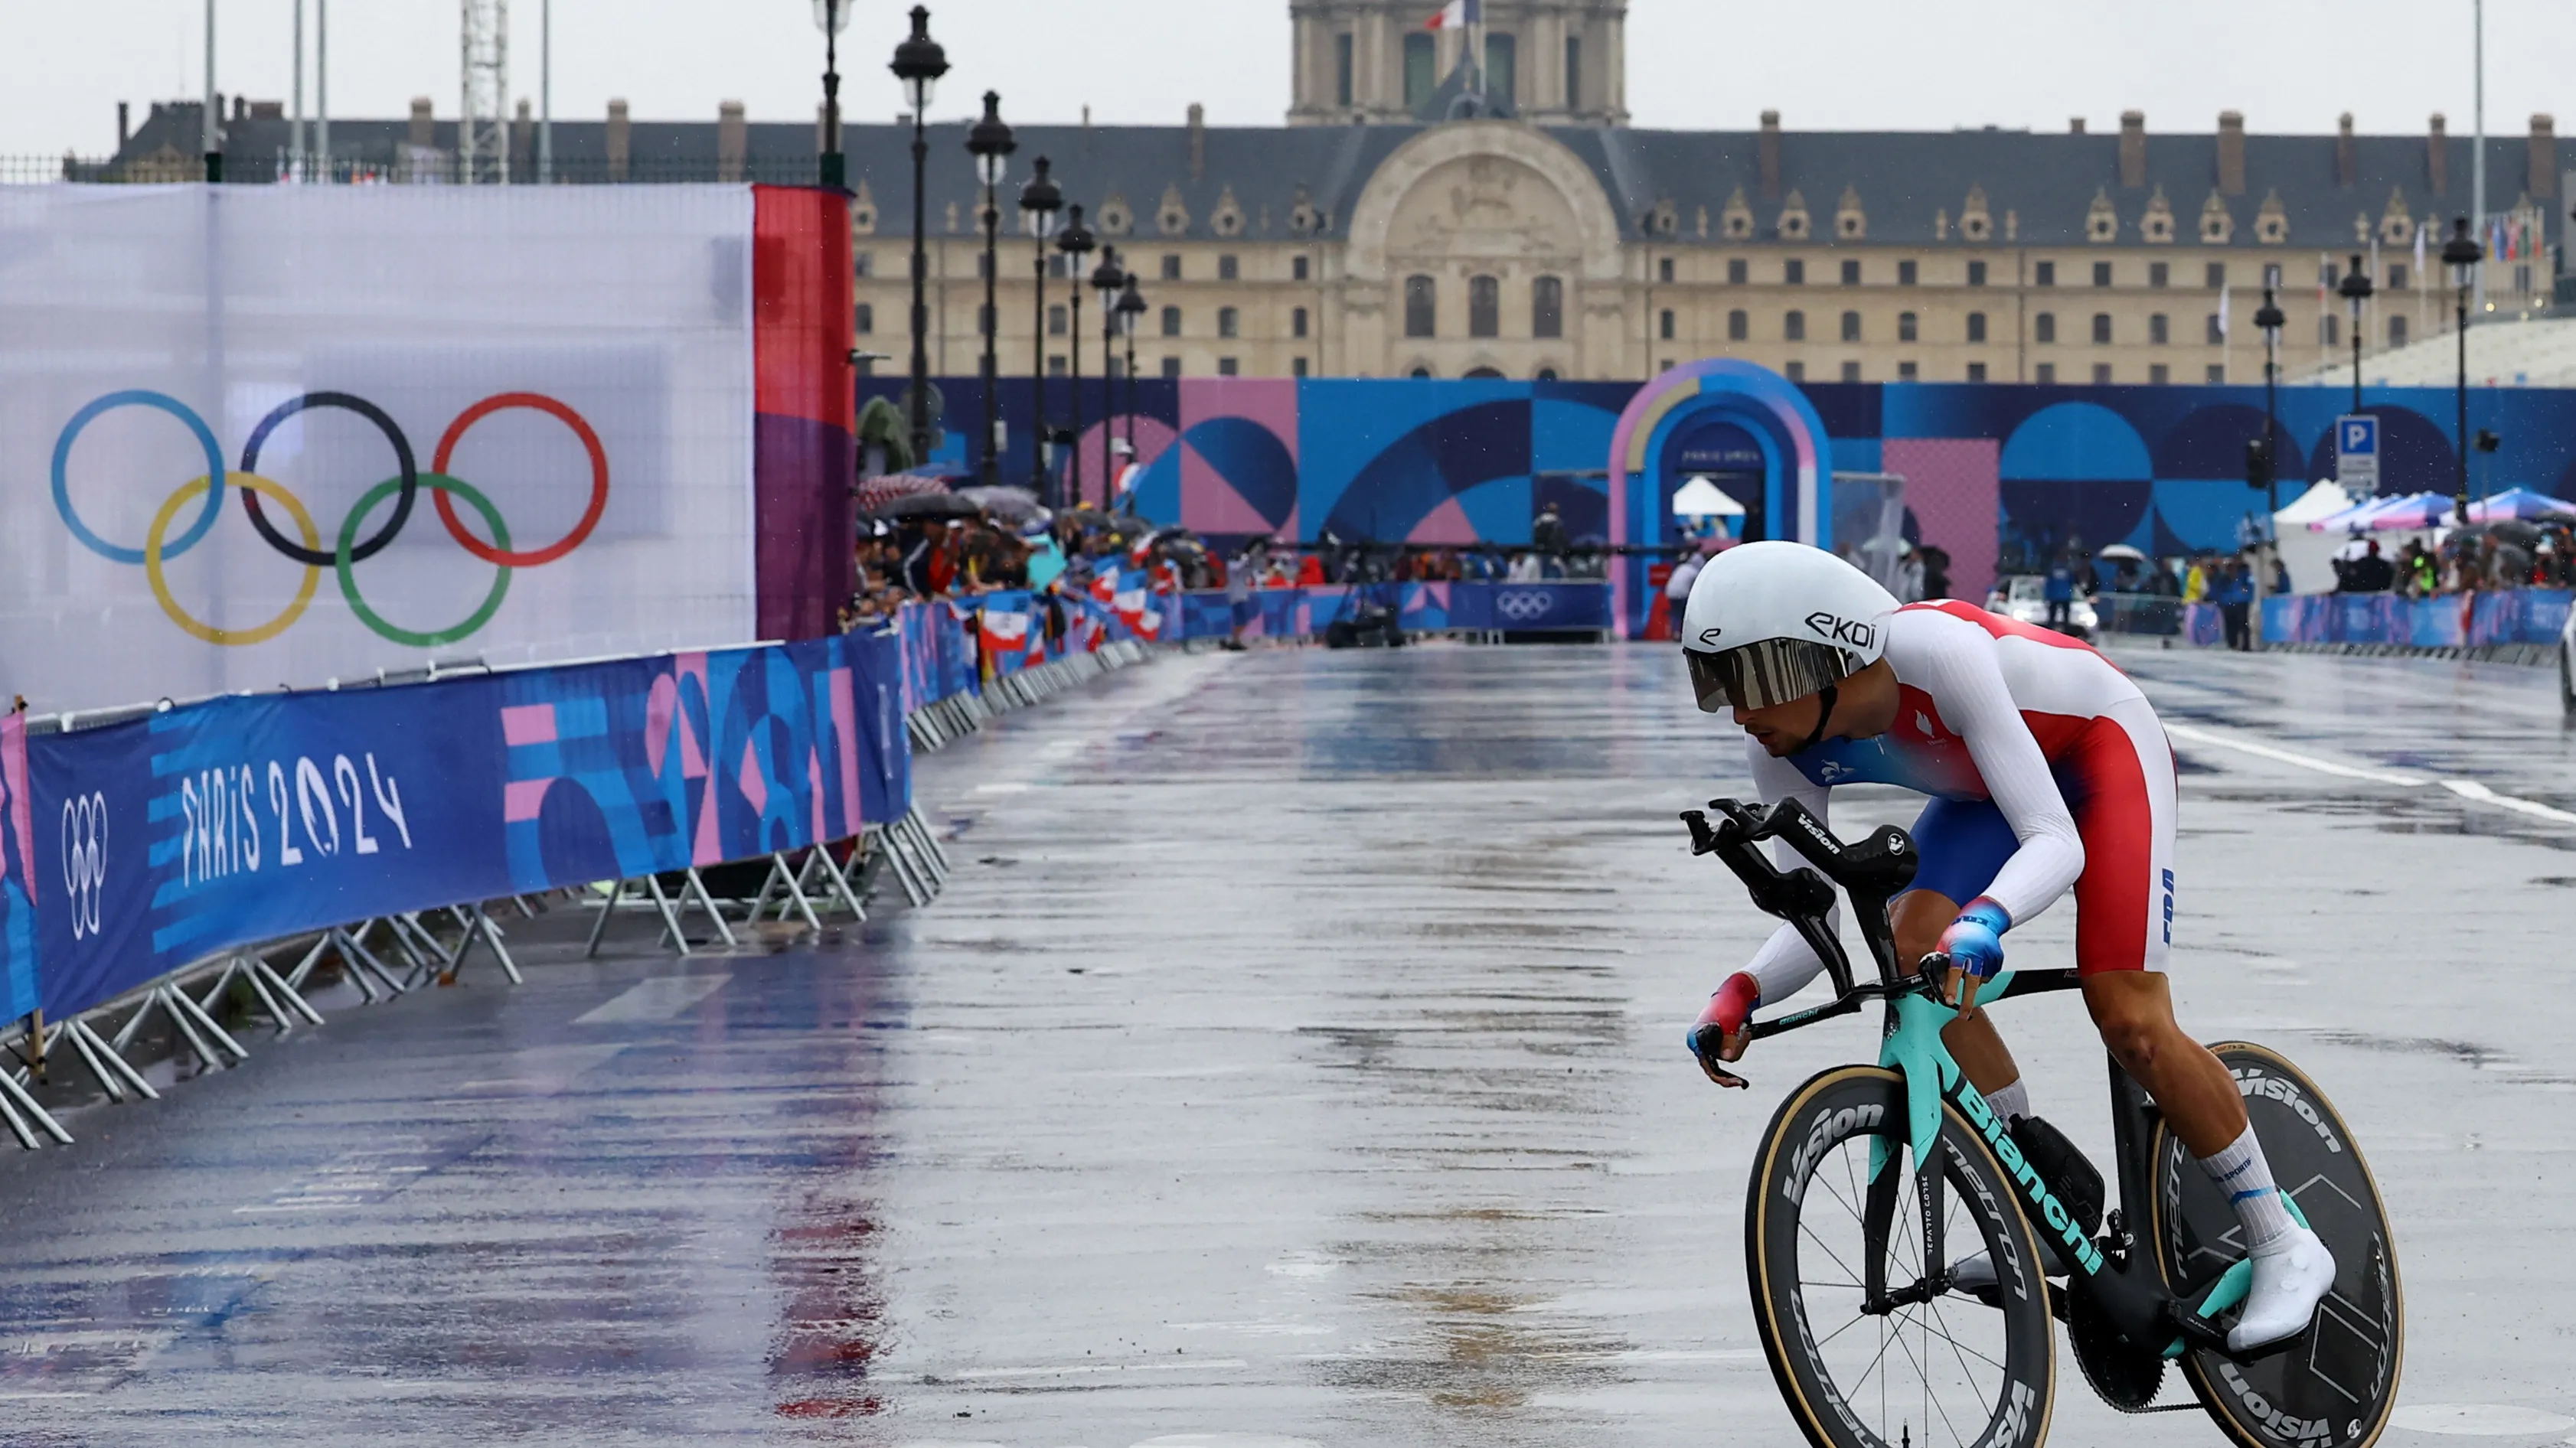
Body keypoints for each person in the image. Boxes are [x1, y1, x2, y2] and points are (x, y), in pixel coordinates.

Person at [1677, 542, 2335, 1352]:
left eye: (1743, 679)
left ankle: (2280, 1240)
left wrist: (1987, 917)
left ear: (1820, 655)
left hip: (2097, 752)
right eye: (1714, 683)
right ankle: (2045, 1192)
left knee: (2125, 1014)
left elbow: (2053, 841)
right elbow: (1812, 923)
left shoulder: (1938, 655)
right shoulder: (1777, 740)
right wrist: (1739, 988)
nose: (1734, 710)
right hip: (1987, 784)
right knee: (1912, 954)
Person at [2214, 559, 2254, 650]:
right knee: (2230, 624)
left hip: (2241, 602)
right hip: (2228, 603)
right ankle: (2232, 643)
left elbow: (2250, 587)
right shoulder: (2224, 579)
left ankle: (2245, 645)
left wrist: (2247, 595)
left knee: (2243, 624)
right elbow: (2219, 590)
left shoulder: (2244, 577)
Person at [2042, 553, 2077, 632]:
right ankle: (2066, 632)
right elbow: (2072, 582)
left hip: (2055, 596)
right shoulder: (2068, 569)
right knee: (2065, 618)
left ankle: (2050, 632)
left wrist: (2047, 596)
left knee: (2052, 617)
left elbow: (2049, 583)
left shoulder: (2053, 569)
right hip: (2065, 596)